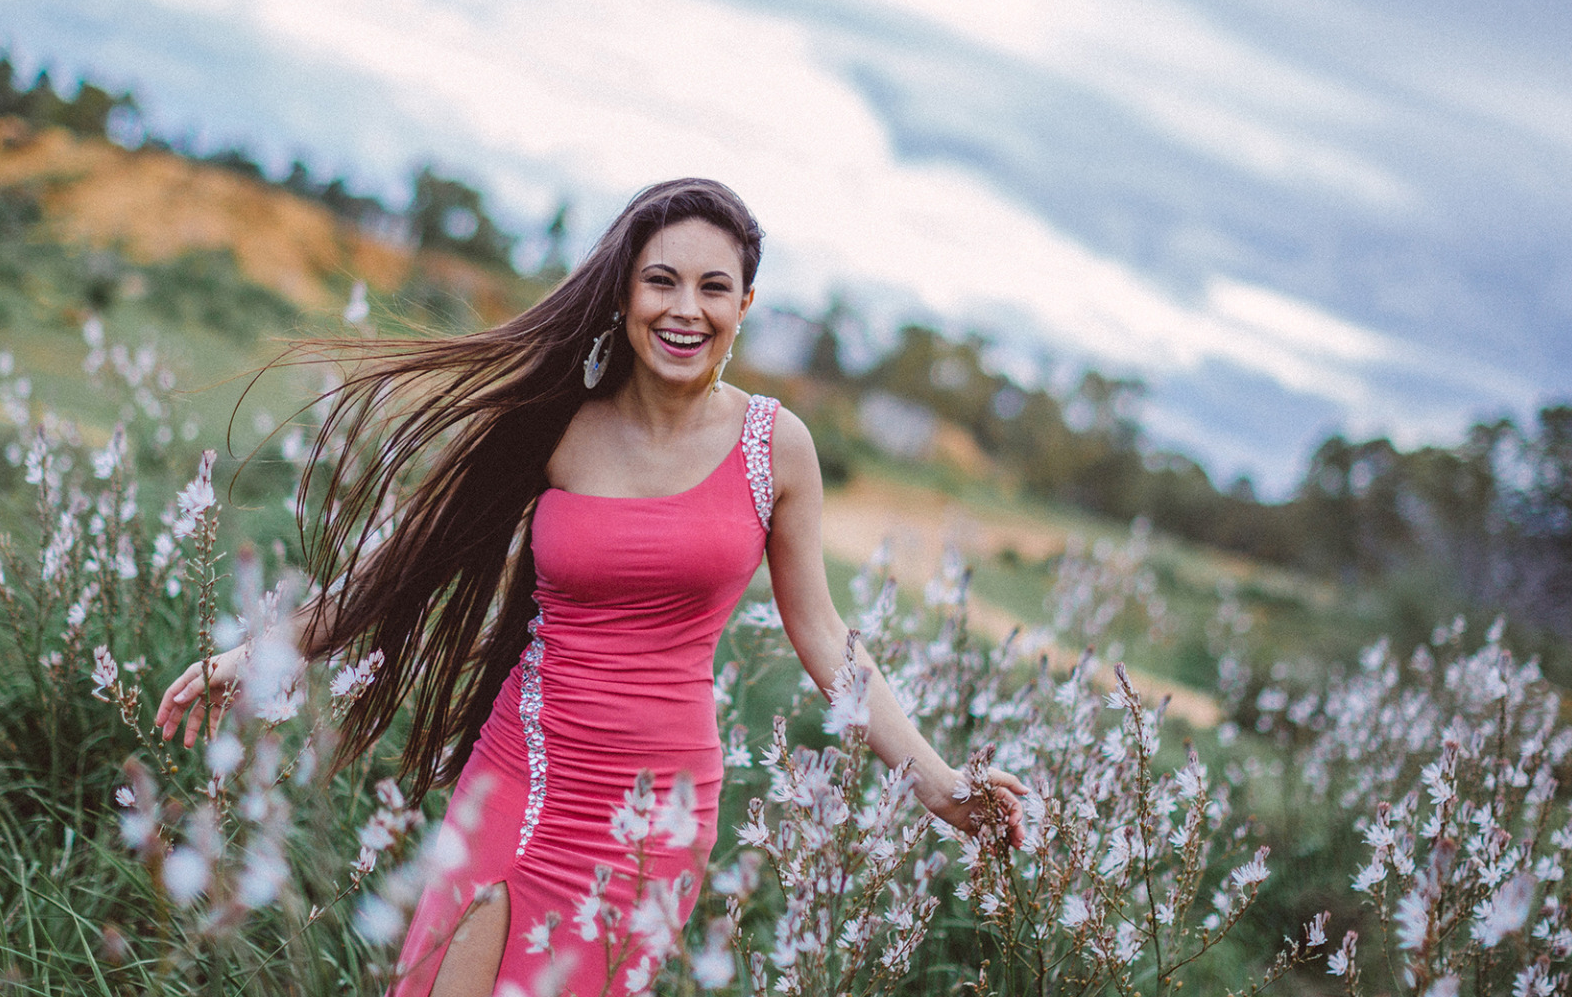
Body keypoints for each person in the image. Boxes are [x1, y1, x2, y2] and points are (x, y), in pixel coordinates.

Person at [155, 178, 1027, 996]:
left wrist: (940, 784)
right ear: (622, 295)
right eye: (661, 282)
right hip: (524, 772)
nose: (686, 309)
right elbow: (410, 562)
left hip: (658, 813)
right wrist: (261, 651)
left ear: (744, 308)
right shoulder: (555, 426)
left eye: (714, 289)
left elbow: (826, 638)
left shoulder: (776, 447)